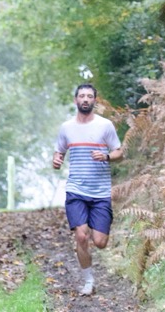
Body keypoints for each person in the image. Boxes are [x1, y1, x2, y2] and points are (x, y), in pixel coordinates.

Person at [52, 83, 124, 296]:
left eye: (89, 96)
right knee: (81, 237)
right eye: (82, 96)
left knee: (100, 242)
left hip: (100, 192)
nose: (85, 99)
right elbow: (59, 152)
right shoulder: (67, 128)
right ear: (76, 100)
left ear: (95, 101)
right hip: (76, 190)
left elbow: (119, 152)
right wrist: (56, 160)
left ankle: (95, 232)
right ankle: (88, 281)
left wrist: (107, 156)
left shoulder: (105, 126)